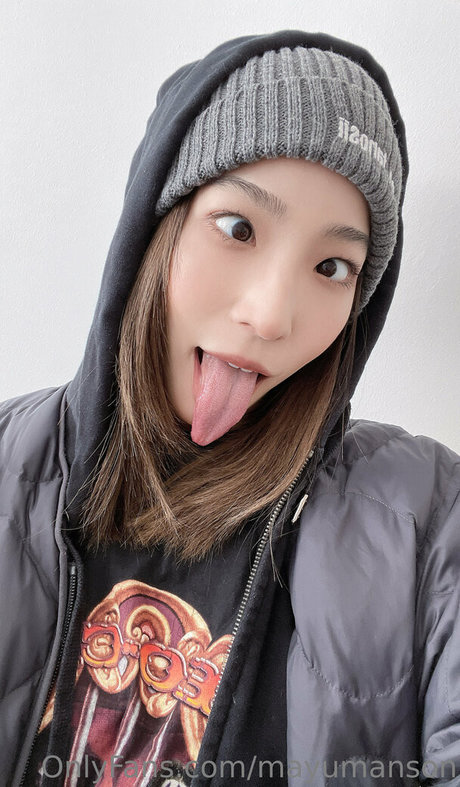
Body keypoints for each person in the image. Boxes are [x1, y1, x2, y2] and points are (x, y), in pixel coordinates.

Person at [1, 27, 460, 787]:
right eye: (238, 228)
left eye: (333, 266)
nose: (272, 315)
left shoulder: (428, 520)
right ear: (155, 227)